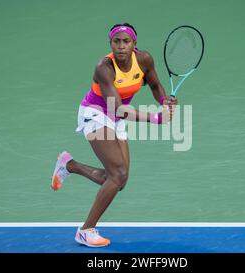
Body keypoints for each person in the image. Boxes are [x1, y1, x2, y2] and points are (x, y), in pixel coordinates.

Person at [51, 23, 177, 247]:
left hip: (116, 119)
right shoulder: (104, 67)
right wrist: (156, 118)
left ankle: (70, 165)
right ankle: (85, 230)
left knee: (120, 180)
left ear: (134, 45)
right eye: (116, 42)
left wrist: (164, 101)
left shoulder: (145, 60)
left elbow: (156, 85)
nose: (120, 46)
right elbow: (117, 108)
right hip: (96, 113)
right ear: (110, 44)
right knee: (117, 173)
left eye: (125, 42)